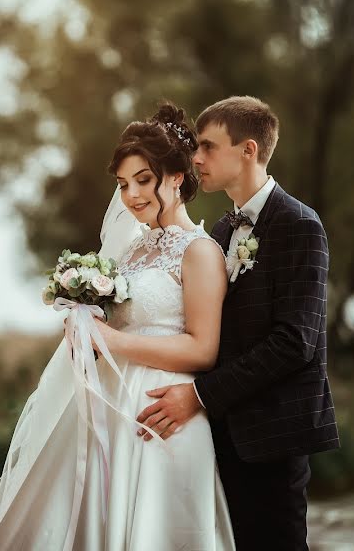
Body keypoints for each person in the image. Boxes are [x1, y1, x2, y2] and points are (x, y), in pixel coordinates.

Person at [0, 102, 236, 550]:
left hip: (161, 415)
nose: (131, 195)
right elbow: (117, 325)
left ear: (177, 177)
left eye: (143, 180)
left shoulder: (201, 252)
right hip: (108, 406)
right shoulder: (131, 253)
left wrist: (112, 339)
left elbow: (203, 349)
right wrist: (84, 326)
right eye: (124, 184)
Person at [132, 96, 340, 551]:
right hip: (215, 435)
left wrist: (200, 395)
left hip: (271, 437)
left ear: (248, 150)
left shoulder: (300, 224)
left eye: (207, 147)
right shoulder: (220, 233)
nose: (197, 158)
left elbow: (294, 342)